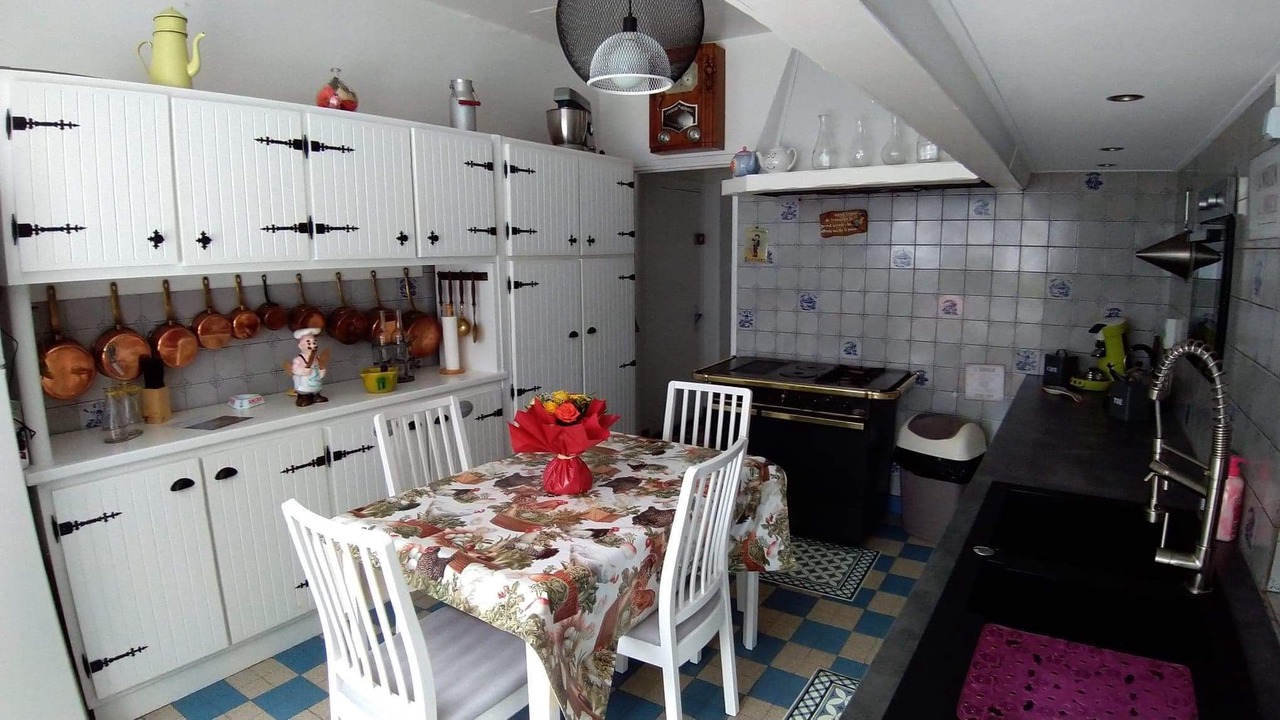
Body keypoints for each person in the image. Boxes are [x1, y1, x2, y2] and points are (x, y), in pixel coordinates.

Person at [291, 328, 328, 407]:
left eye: (314, 342)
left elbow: (319, 368)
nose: (313, 345)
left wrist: (322, 371)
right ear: (301, 346)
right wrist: (304, 371)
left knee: (316, 388)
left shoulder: (317, 358)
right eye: (309, 343)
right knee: (304, 391)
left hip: (315, 382)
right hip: (304, 384)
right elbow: (295, 370)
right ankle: (303, 397)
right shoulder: (298, 359)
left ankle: (316, 396)